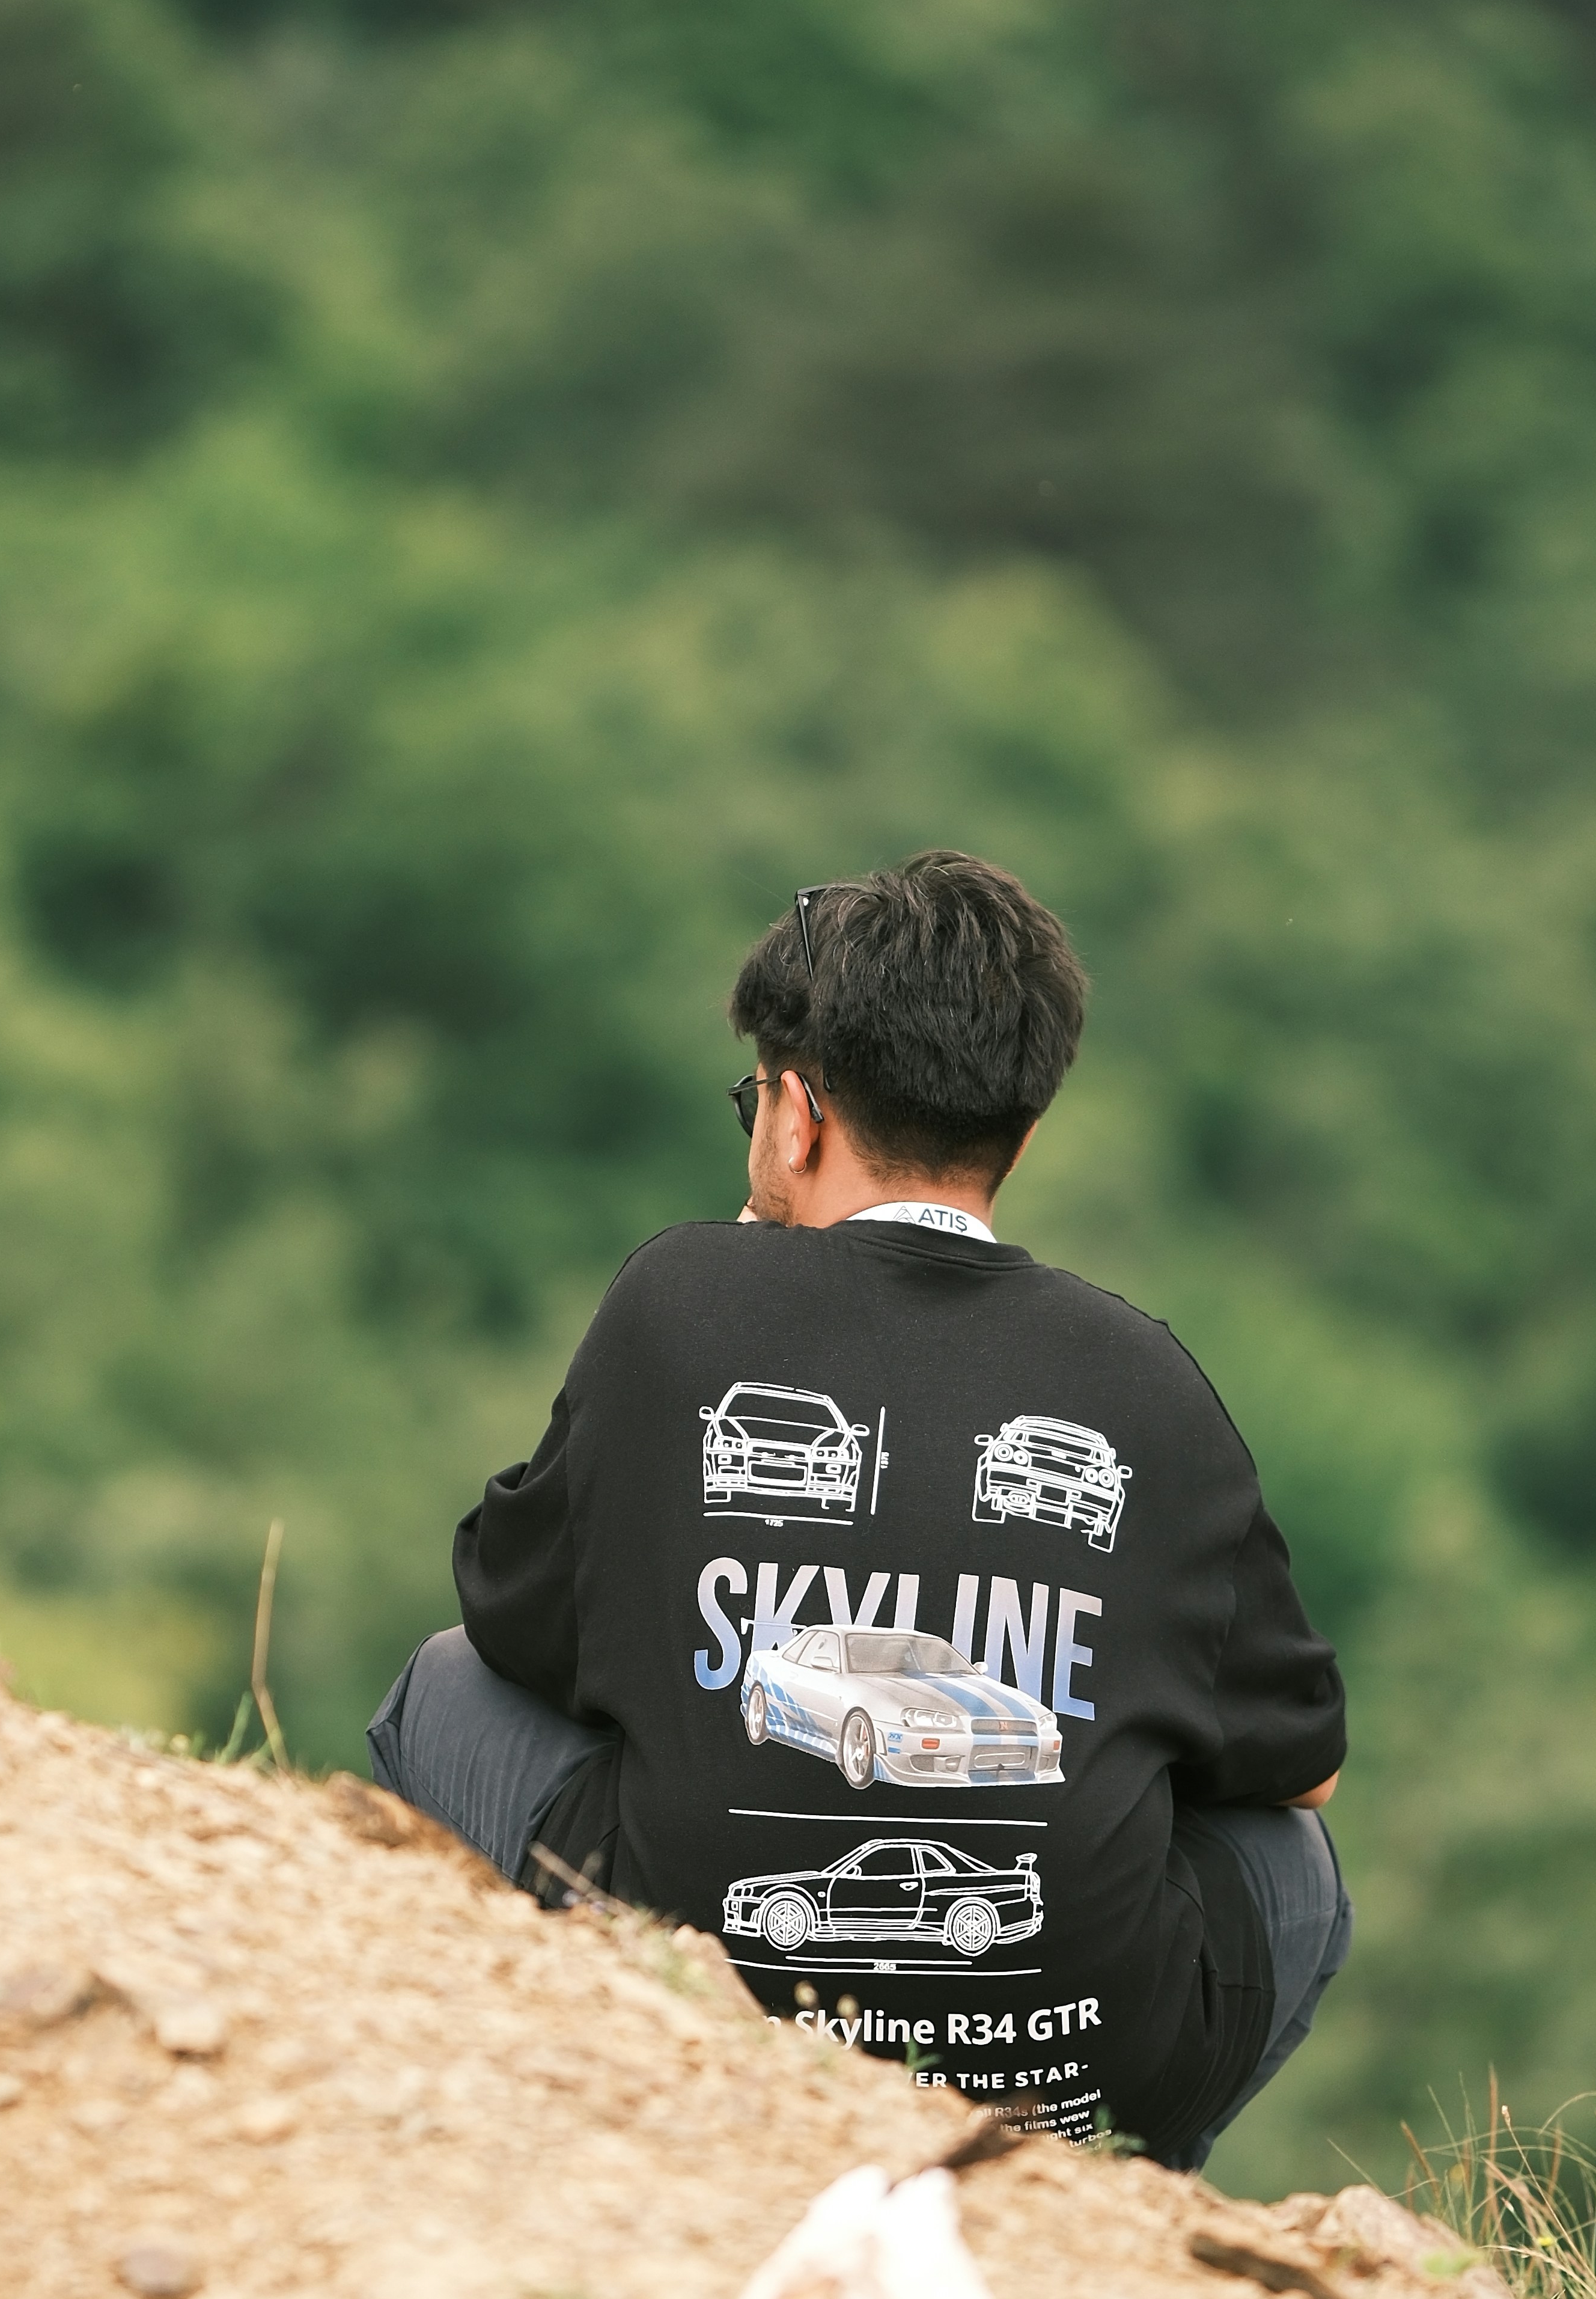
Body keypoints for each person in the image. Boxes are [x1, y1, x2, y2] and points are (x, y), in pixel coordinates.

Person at [368, 851, 1349, 2168]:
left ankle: (567, 2112)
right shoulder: (1149, 1380)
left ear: (794, 1114)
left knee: (440, 1688)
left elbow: (507, 1616)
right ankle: (1101, 2194)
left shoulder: (678, 1300)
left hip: (702, 2002)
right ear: (1026, 1134)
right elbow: (1304, 1767)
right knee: (1286, 1860)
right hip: (1065, 2062)